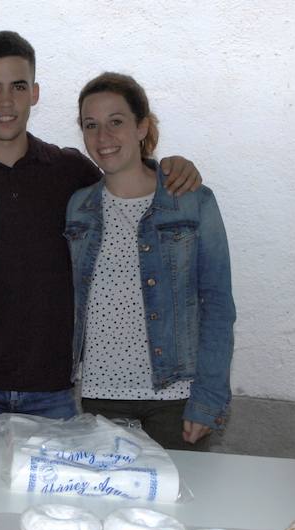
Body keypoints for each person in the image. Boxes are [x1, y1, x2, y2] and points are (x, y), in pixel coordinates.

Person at [0, 31, 203, 435]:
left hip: (55, 391)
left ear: (35, 93)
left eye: (18, 86)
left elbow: (129, 183)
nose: (6, 102)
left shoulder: (70, 170)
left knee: (52, 500)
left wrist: (171, 166)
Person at [66, 72, 235, 449]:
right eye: (91, 125)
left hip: (175, 400)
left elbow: (218, 305)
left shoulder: (192, 201)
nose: (103, 137)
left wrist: (208, 399)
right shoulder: (78, 207)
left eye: (116, 122)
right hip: (99, 398)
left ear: (142, 126)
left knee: (182, 505)